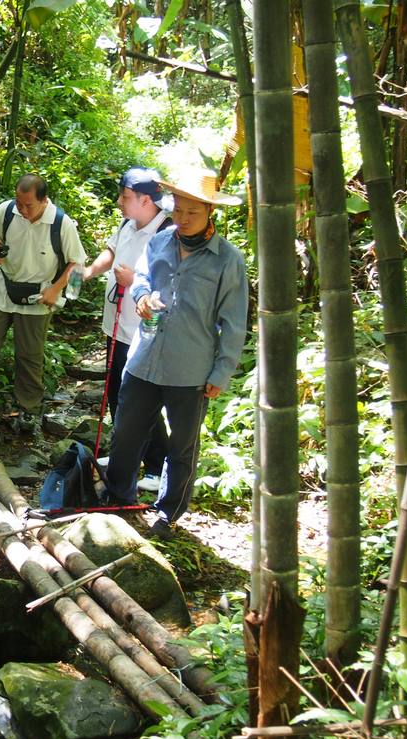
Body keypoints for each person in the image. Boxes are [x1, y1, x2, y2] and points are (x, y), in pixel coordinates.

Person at [105, 169, 248, 540]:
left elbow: (234, 323)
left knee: (182, 447)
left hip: (191, 369)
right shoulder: (160, 241)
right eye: (179, 210)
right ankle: (118, 498)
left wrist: (221, 373)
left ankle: (168, 514)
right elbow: (141, 278)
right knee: (126, 434)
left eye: (193, 212)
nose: (183, 219)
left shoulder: (228, 260)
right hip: (145, 358)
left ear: (210, 212)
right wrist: (141, 297)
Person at [0, 173, 88, 432]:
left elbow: (77, 263)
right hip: (3, 289)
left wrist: (56, 290)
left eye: (28, 205)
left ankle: (28, 408)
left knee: (28, 355)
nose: (22, 210)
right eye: (19, 203)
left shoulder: (61, 223)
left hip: (38, 295)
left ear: (44, 200)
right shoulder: (6, 210)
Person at [83, 166, 172, 491]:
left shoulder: (167, 231)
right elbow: (112, 251)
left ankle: (156, 467)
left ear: (145, 200)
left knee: (143, 401)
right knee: (118, 395)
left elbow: (171, 283)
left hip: (144, 333)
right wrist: (89, 271)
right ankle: (125, 458)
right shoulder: (128, 224)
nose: (119, 202)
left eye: (125, 197)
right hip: (116, 326)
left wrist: (133, 280)